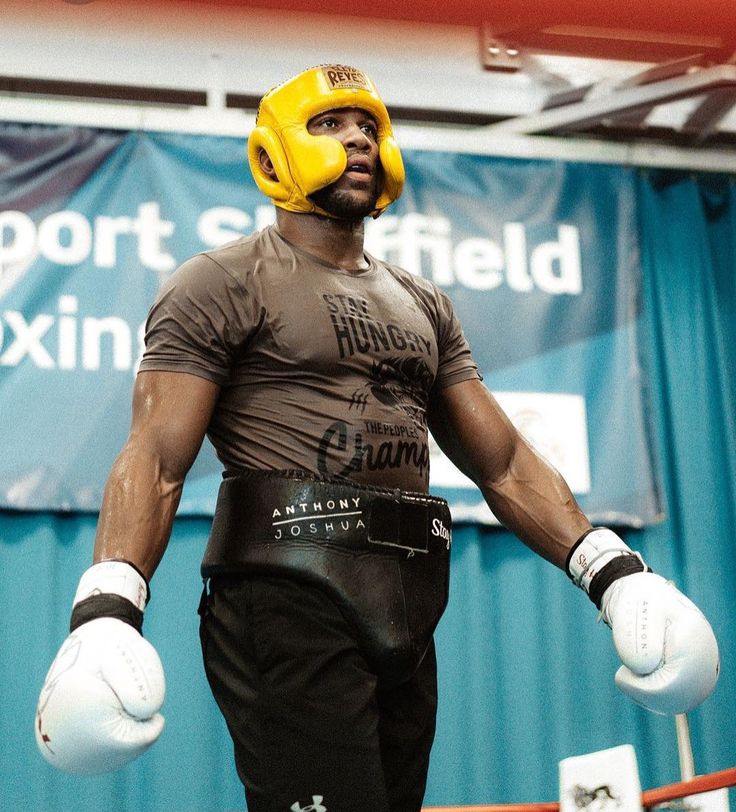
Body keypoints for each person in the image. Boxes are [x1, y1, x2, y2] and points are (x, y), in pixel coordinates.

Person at [35, 64, 720, 812]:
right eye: (330, 123)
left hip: (409, 597)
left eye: (369, 126)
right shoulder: (222, 281)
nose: (359, 137)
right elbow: (157, 456)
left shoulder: (423, 302)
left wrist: (616, 575)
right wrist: (106, 610)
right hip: (287, 595)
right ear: (273, 154)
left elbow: (505, 461)